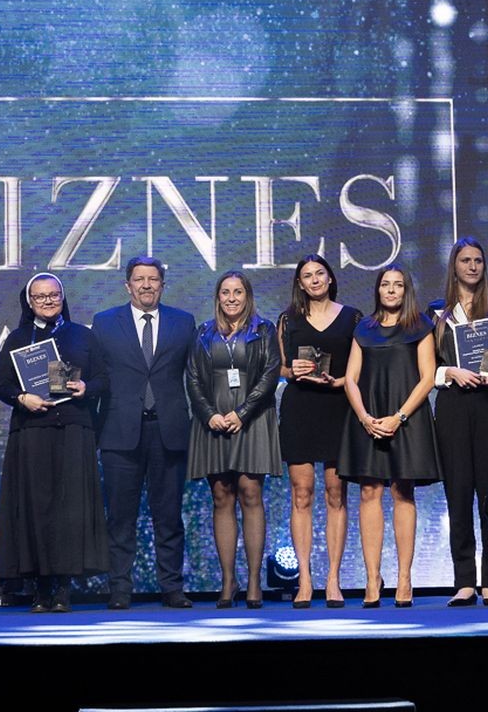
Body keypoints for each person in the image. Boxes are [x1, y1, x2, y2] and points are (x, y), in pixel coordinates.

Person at [0, 273, 109, 612]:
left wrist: (87, 388)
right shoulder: (17, 339)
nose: (48, 301)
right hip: (32, 431)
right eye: (40, 296)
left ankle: (63, 588)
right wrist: (22, 398)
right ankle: (41, 588)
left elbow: (103, 379)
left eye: (54, 295)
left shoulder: (83, 335)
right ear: (29, 302)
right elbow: (3, 387)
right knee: (37, 507)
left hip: (74, 429)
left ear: (62, 297)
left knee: (70, 509)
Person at [92, 256, 197, 610]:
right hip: (119, 433)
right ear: (128, 285)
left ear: (163, 285)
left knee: (169, 517)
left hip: (169, 431)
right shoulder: (105, 323)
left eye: (153, 279)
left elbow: (195, 376)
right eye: (139, 279)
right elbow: (96, 376)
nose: (147, 285)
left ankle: (172, 588)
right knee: (120, 518)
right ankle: (120, 590)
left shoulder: (183, 322)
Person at [428, 238, 488, 607]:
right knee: (458, 493)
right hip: (452, 407)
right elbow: (424, 368)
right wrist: (449, 372)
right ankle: (464, 581)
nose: (472, 266)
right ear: (454, 266)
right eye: (465, 260)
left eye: (478, 260)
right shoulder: (436, 313)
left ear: (484, 266)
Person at [339, 264, 439, 609]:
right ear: (378, 290)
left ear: (406, 290)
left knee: (402, 491)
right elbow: (350, 379)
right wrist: (365, 418)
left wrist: (399, 417)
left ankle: (405, 579)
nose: (392, 290)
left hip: (406, 418)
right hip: (368, 418)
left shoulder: (420, 326)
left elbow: (428, 377)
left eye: (398, 285)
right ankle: (372, 579)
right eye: (386, 284)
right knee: (369, 491)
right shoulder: (363, 329)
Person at [186, 270, 282, 609]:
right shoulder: (204, 332)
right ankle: (228, 580)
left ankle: (254, 579)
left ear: (247, 296)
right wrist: (208, 413)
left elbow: (270, 374)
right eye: (225, 292)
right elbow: (193, 378)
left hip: (252, 418)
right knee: (221, 495)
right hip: (213, 420)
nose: (231, 298)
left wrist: (242, 412)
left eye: (237, 292)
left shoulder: (264, 330)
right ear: (218, 297)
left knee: (250, 493)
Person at [276, 254, 363, 608]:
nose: (314, 280)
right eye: (307, 276)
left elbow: (361, 368)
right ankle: (305, 580)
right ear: (300, 283)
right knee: (302, 493)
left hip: (338, 407)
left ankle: (333, 580)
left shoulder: (352, 317)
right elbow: (279, 368)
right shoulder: (288, 319)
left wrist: (340, 380)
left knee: (335, 493)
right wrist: (292, 371)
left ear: (330, 278)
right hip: (300, 408)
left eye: (319, 273)